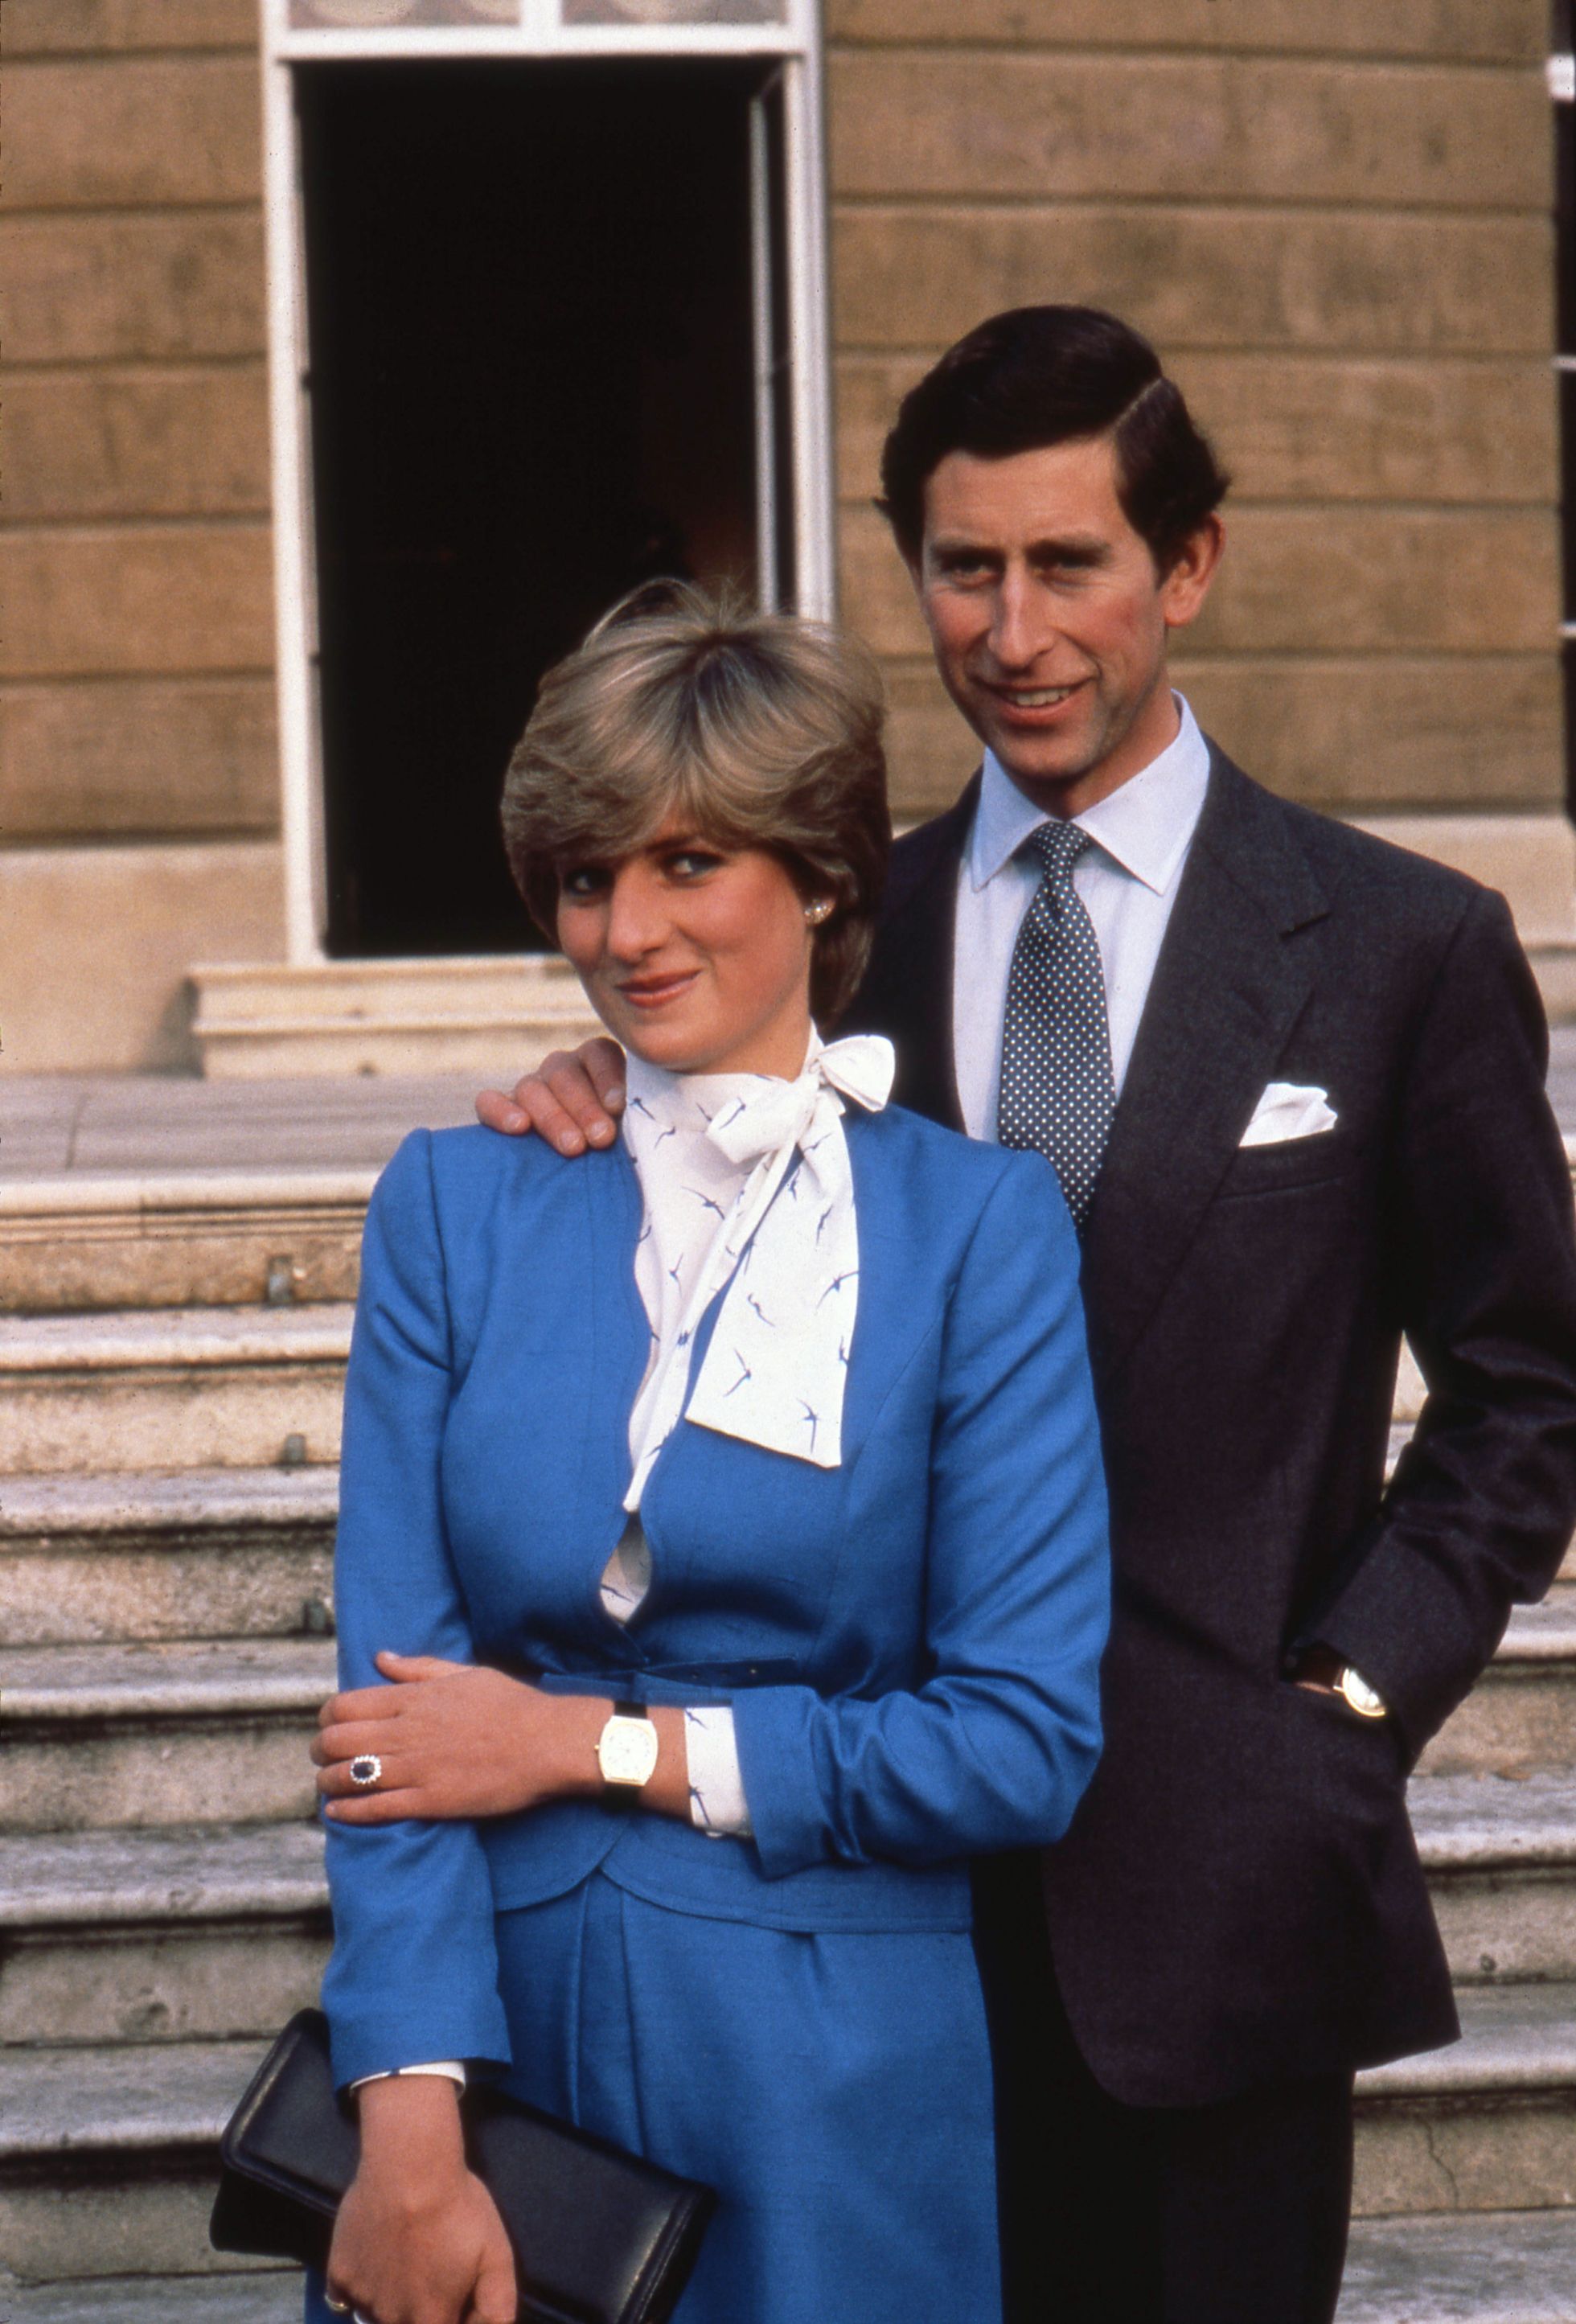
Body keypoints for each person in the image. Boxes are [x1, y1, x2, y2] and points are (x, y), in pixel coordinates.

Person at [480, 308, 1576, 2324]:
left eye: (1066, 563)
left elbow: (1532, 1384)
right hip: (840, 1903)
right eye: (961, 568)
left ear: (1187, 564)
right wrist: (597, 1104)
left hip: (1219, 1884)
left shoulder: (1396, 948)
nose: (1011, 629)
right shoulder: (824, 926)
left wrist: (1350, 1692)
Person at [307, 582, 1110, 2324]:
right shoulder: (454, 1202)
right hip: (494, 2058)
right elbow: (385, 1723)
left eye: (688, 863)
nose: (627, 930)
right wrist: (408, 2126)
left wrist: (585, 1742)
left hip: (830, 2069)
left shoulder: (976, 1229)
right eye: (586, 877)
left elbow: (1018, 1742)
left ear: (818, 876)